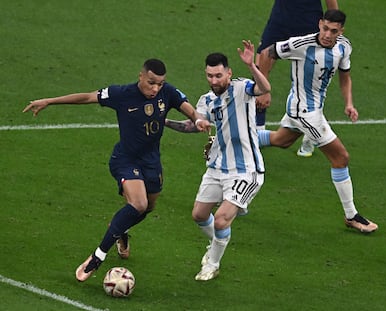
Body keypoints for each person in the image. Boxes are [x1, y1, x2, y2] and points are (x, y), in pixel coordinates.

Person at [22, 59, 210, 282]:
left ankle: (120, 230)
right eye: (151, 83)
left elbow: (189, 110)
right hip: (125, 160)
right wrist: (49, 101)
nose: (155, 89)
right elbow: (87, 97)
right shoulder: (121, 94)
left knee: (148, 207)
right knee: (138, 204)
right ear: (141, 76)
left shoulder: (167, 92)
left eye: (160, 84)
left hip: (151, 162)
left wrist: (198, 120)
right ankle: (97, 256)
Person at [258, 9, 378, 233]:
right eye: (324, 28)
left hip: (313, 110)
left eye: (333, 31)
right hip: (304, 111)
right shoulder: (301, 44)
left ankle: (234, 139)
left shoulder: (344, 46)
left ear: (340, 31)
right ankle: (351, 215)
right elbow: (267, 53)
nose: (327, 34)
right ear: (319, 24)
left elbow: (345, 77)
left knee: (280, 140)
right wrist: (263, 90)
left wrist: (349, 103)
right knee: (341, 157)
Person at [166, 40, 271, 281]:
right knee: (199, 215)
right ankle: (216, 245)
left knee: (222, 219)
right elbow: (193, 125)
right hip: (217, 167)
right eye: (210, 76)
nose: (214, 81)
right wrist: (168, 122)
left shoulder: (242, 89)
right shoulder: (206, 100)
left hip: (246, 170)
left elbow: (264, 88)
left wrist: (252, 66)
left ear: (229, 73)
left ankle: (211, 264)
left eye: (218, 75)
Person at [255, 0, 338, 157]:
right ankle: (257, 131)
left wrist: (335, 26)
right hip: (281, 18)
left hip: (308, 21)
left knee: (312, 80)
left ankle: (311, 134)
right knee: (260, 68)